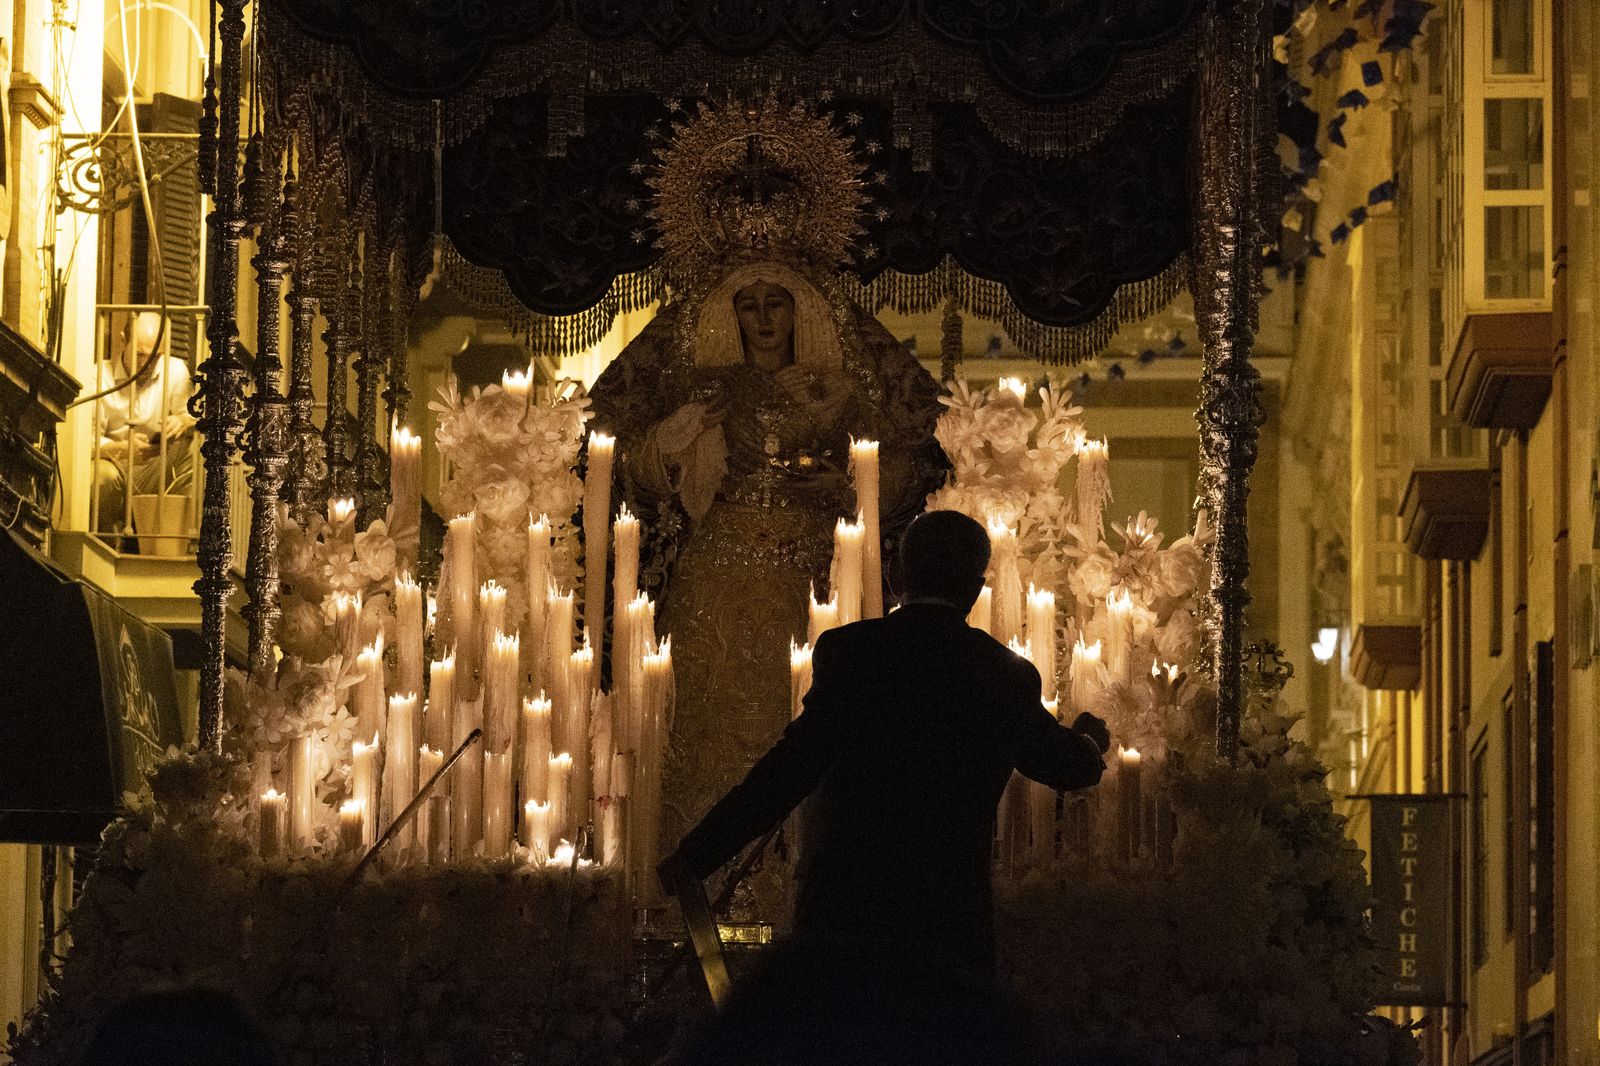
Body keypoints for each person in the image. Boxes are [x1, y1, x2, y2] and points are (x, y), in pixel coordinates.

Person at [657, 510, 1112, 1064]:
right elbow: (1068, 767)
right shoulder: (1001, 673)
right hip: (946, 923)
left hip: (843, 913)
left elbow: (786, 770)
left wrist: (696, 855)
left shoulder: (851, 654)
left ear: (897, 576)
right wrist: (1089, 739)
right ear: (976, 587)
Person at [587, 260, 945, 923]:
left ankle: (809, 892)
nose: (763, 319)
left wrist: (841, 483)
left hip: (809, 570)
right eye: (748, 305)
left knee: (806, 714)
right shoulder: (705, 384)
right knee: (708, 716)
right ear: (732, 314)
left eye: (775, 303)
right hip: (719, 569)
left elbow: (903, 461)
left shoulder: (840, 391)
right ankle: (704, 886)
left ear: (798, 311)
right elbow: (632, 464)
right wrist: (680, 435)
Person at [92, 311, 195, 540]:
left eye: (155, 357)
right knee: (99, 476)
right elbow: (86, 444)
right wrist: (122, 448)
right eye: (139, 354)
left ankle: (172, 541)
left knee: (196, 451)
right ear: (122, 340)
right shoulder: (99, 377)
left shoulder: (176, 370)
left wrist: (181, 421)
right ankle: (106, 545)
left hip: (157, 466)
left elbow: (192, 414)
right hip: (115, 464)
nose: (146, 363)